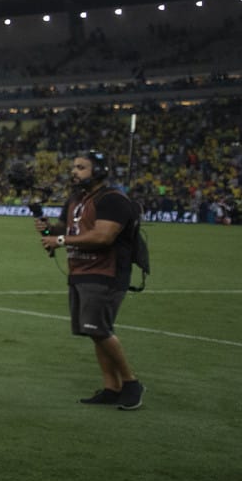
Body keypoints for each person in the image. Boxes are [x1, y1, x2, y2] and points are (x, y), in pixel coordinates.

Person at [37, 150, 146, 410]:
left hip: (106, 272)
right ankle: (112, 387)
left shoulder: (112, 199)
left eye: (81, 168)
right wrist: (49, 229)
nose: (75, 172)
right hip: (81, 270)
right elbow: (64, 229)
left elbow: (103, 237)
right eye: (74, 167)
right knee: (93, 331)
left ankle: (131, 383)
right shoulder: (76, 199)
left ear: (97, 171)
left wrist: (59, 240)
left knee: (99, 329)